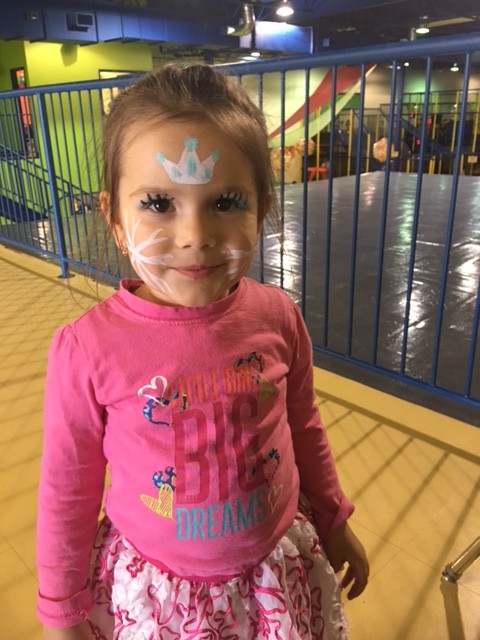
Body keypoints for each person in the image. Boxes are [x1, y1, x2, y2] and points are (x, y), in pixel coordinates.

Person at [37, 63, 369, 640]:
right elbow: (68, 490)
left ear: (262, 208)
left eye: (225, 202)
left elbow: (303, 423)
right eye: (158, 203)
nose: (195, 235)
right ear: (114, 218)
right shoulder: (88, 349)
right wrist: (61, 611)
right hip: (162, 596)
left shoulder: (277, 317)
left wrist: (334, 517)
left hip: (274, 575)